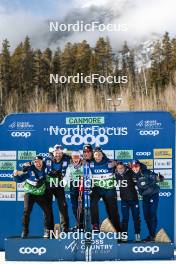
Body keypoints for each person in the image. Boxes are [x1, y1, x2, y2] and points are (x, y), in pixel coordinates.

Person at [13, 155, 53, 238]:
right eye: (35, 162)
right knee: (26, 211)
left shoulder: (47, 168)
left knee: (48, 210)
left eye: (39, 161)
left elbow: (51, 170)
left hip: (40, 194)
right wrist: (15, 175)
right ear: (33, 163)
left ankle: (47, 230)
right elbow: (19, 180)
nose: (37, 163)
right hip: (29, 193)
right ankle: (25, 231)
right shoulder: (30, 169)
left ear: (42, 162)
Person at [89, 147, 121, 233]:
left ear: (102, 155)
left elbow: (121, 167)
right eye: (96, 154)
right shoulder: (90, 163)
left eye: (100, 154)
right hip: (97, 189)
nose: (98, 156)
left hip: (109, 189)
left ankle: (117, 230)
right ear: (93, 155)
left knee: (112, 210)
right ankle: (95, 225)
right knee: (92, 202)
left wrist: (116, 163)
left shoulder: (109, 162)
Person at [131, 161, 164, 242]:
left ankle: (152, 235)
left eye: (136, 166)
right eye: (133, 167)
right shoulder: (133, 175)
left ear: (139, 166)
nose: (135, 168)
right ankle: (151, 235)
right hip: (145, 196)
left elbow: (157, 177)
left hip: (153, 194)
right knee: (146, 216)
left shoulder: (146, 172)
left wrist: (159, 177)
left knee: (152, 214)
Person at [45, 144, 70, 232]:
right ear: (53, 152)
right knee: (47, 207)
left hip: (59, 185)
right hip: (49, 185)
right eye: (56, 153)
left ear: (63, 153)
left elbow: (78, 160)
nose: (58, 155)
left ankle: (65, 227)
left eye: (60, 153)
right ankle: (48, 229)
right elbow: (36, 164)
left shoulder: (67, 159)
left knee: (63, 206)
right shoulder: (47, 159)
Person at [115, 162, 141, 242]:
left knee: (136, 218)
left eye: (121, 168)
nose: (120, 170)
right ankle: (124, 236)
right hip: (124, 200)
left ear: (125, 167)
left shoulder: (130, 172)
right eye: (118, 168)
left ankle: (137, 236)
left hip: (134, 200)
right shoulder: (116, 174)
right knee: (125, 219)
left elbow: (138, 172)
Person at [65, 151, 84, 230]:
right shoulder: (69, 167)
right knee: (75, 207)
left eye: (77, 157)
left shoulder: (84, 166)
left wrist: (86, 185)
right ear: (72, 158)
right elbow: (67, 177)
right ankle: (79, 224)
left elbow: (89, 175)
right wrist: (69, 184)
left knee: (82, 206)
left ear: (80, 158)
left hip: (82, 186)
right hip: (73, 187)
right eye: (74, 157)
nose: (75, 159)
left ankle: (83, 224)